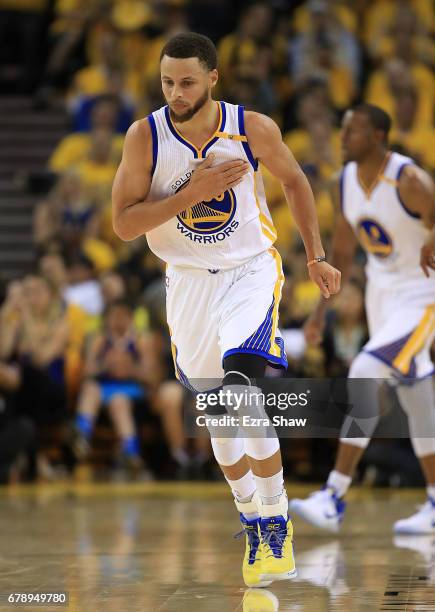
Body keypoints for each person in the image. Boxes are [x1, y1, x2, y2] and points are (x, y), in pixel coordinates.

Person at [112, 32, 340, 587]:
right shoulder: (145, 136)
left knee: (243, 390)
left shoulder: (252, 127)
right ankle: (252, 516)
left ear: (213, 78)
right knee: (219, 412)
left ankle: (277, 516)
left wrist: (315, 255)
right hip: (186, 281)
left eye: (187, 81)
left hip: (249, 271)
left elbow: (296, 181)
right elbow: (123, 225)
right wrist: (193, 192)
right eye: (167, 81)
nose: (176, 91)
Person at [289, 104, 435, 534]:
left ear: (376, 136)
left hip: (423, 296)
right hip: (382, 296)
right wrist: (319, 313)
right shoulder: (345, 182)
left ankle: (334, 494)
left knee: (366, 368)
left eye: (351, 130)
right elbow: (344, 255)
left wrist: (432, 233)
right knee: (417, 395)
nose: (342, 136)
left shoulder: (408, 179)